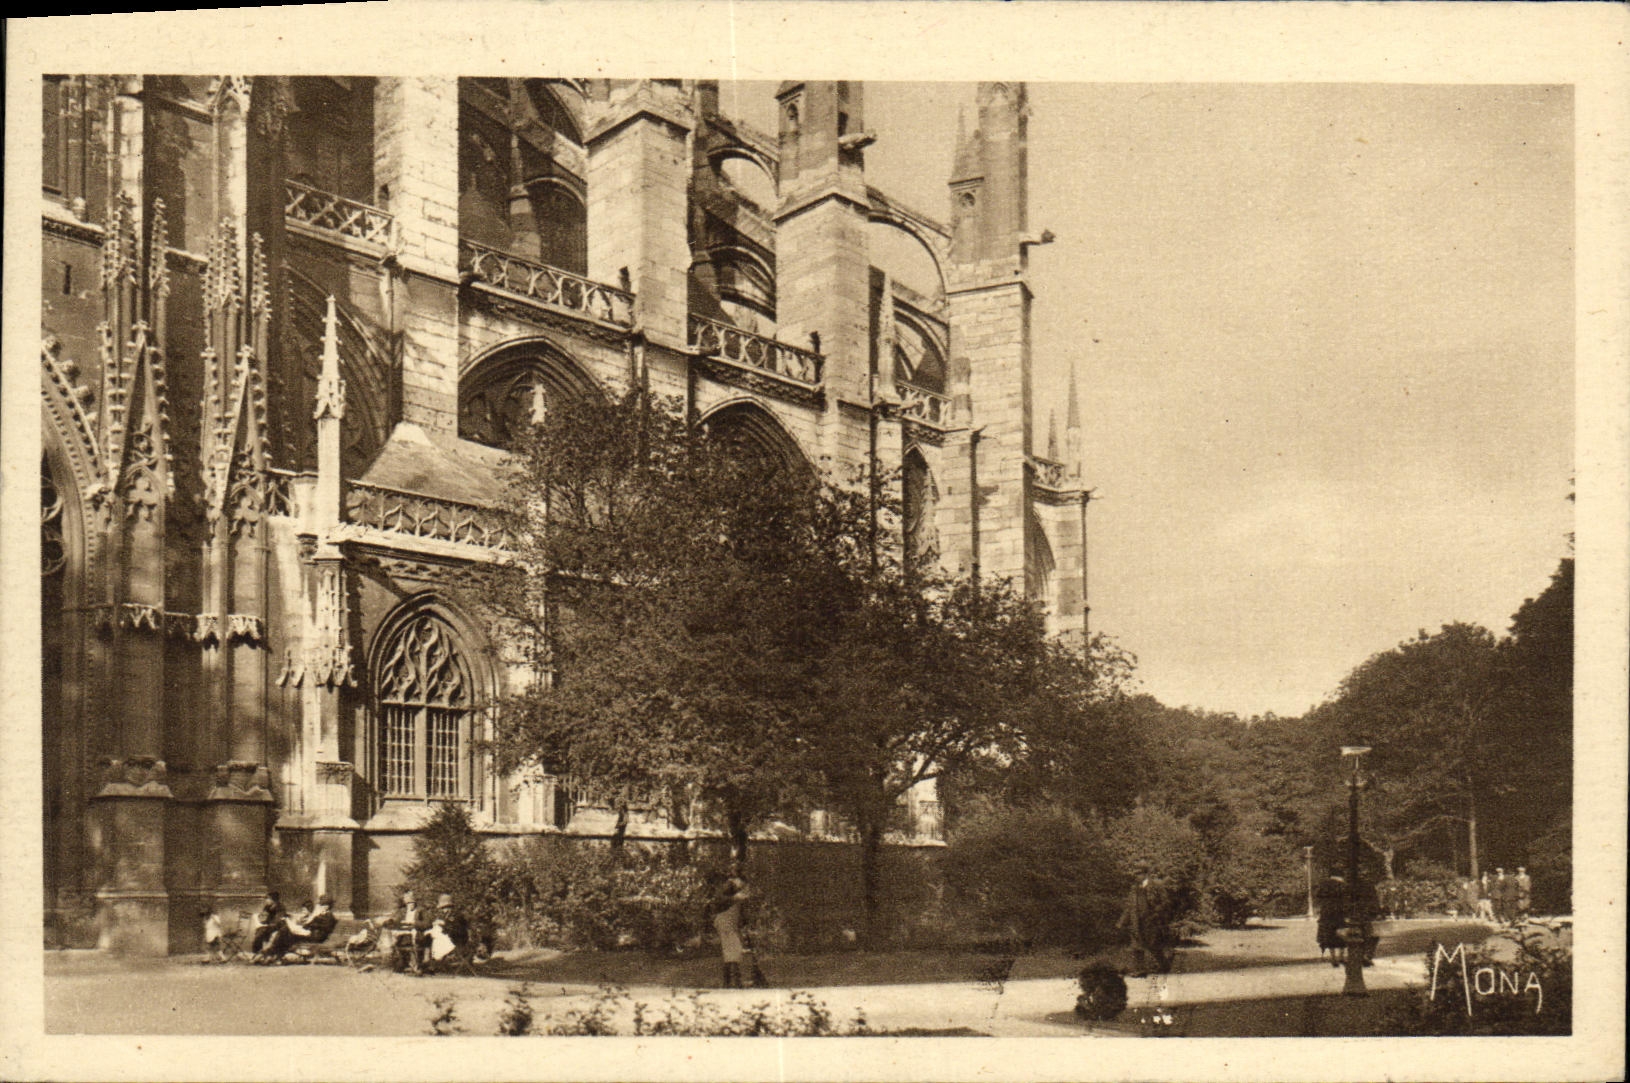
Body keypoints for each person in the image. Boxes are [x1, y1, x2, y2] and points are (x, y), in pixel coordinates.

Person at [1116, 865, 1165, 978]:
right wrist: (1121, 922)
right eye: (1136, 874)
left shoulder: (1156, 885)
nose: (1137, 876)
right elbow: (1129, 907)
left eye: (1139, 873)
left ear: (1146, 874)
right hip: (1136, 921)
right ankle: (1139, 970)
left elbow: (1165, 902)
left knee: (1153, 945)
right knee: (1136, 946)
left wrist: (1156, 912)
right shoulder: (1134, 888)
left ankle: (1163, 965)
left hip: (1151, 920)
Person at [259, 894, 338, 962]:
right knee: (286, 932)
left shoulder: (328, 917)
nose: (318, 906)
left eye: (320, 905)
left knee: (286, 932)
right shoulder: (322, 915)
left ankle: (271, 953)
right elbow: (308, 925)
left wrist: (313, 917)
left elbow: (313, 927)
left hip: (316, 937)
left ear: (326, 907)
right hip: (312, 935)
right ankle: (274, 955)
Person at [712, 871, 750, 989]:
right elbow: (720, 901)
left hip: (729, 922)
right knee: (734, 950)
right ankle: (734, 982)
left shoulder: (735, 893)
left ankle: (729, 982)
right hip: (725, 921)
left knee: (731, 952)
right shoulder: (725, 894)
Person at [422, 893, 470, 972]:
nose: (444, 910)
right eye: (443, 908)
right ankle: (428, 960)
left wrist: (445, 925)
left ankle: (433, 964)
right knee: (429, 936)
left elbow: (458, 931)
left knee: (436, 940)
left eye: (446, 907)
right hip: (447, 938)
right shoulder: (444, 916)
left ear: (451, 907)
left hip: (457, 940)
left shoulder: (457, 916)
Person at [385, 890, 428, 973]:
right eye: (408, 903)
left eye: (412, 903)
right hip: (403, 934)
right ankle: (398, 960)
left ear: (415, 902)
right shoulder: (403, 912)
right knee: (392, 936)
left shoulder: (421, 911)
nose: (410, 905)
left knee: (413, 941)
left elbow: (427, 924)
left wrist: (414, 923)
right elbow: (396, 921)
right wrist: (392, 921)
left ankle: (415, 964)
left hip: (415, 933)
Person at [1314, 874, 1347, 966]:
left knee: (1330, 935)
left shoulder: (1324, 884)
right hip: (1339, 912)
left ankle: (1333, 958)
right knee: (1342, 934)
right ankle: (1341, 956)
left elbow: (1318, 896)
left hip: (1326, 913)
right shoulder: (1342, 885)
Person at [249, 892, 284, 956]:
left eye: (268, 899)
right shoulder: (267, 907)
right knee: (259, 931)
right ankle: (257, 952)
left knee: (261, 932)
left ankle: (257, 953)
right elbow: (263, 916)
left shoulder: (280, 907)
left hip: (278, 926)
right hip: (268, 925)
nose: (266, 900)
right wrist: (261, 918)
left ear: (274, 900)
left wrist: (268, 923)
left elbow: (278, 920)